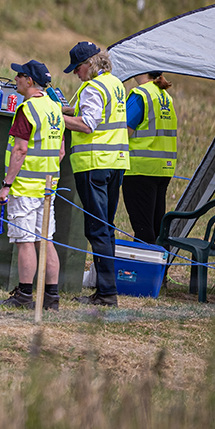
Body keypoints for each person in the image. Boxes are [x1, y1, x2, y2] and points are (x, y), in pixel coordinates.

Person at [61, 41, 129, 307]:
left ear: (89, 64)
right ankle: (106, 288)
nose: (76, 74)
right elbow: (96, 115)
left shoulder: (91, 88)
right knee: (107, 228)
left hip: (93, 164)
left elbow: (87, 124)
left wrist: (52, 118)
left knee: (97, 229)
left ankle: (106, 294)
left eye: (77, 69)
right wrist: (65, 110)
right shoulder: (114, 83)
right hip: (115, 162)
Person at [0, 60, 65, 310]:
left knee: (25, 241)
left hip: (24, 187)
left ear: (30, 81)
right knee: (46, 240)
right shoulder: (55, 108)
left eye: (19, 75)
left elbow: (20, 150)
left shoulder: (28, 109)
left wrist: (6, 185)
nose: (16, 79)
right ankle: (51, 298)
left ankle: (24, 295)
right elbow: (61, 151)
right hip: (47, 186)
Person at [123, 71, 178, 245]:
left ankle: (144, 270)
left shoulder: (141, 94)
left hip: (140, 168)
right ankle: (159, 270)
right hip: (163, 168)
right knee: (156, 226)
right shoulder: (164, 96)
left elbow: (124, 131)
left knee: (142, 228)